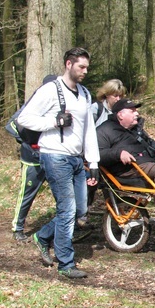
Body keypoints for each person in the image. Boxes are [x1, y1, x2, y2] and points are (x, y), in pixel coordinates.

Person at [17, 47, 100, 279]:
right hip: (54, 155)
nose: (85, 71)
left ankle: (43, 237)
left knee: (80, 210)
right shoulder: (50, 90)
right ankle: (66, 263)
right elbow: (24, 118)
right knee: (67, 209)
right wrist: (53, 122)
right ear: (68, 64)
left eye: (87, 67)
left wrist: (93, 160)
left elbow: (89, 130)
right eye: (81, 67)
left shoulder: (84, 93)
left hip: (76, 159)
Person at [96, 98, 155, 226]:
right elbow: (97, 153)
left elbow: (151, 144)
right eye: (132, 111)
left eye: (136, 110)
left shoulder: (136, 130)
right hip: (124, 170)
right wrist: (118, 153)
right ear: (120, 115)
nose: (137, 113)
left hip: (146, 166)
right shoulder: (104, 130)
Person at [11, 75, 56, 241]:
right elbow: (13, 124)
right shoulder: (33, 103)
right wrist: (28, 143)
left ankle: (63, 229)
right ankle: (18, 228)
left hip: (52, 155)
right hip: (32, 158)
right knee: (27, 193)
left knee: (63, 194)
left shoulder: (59, 103)